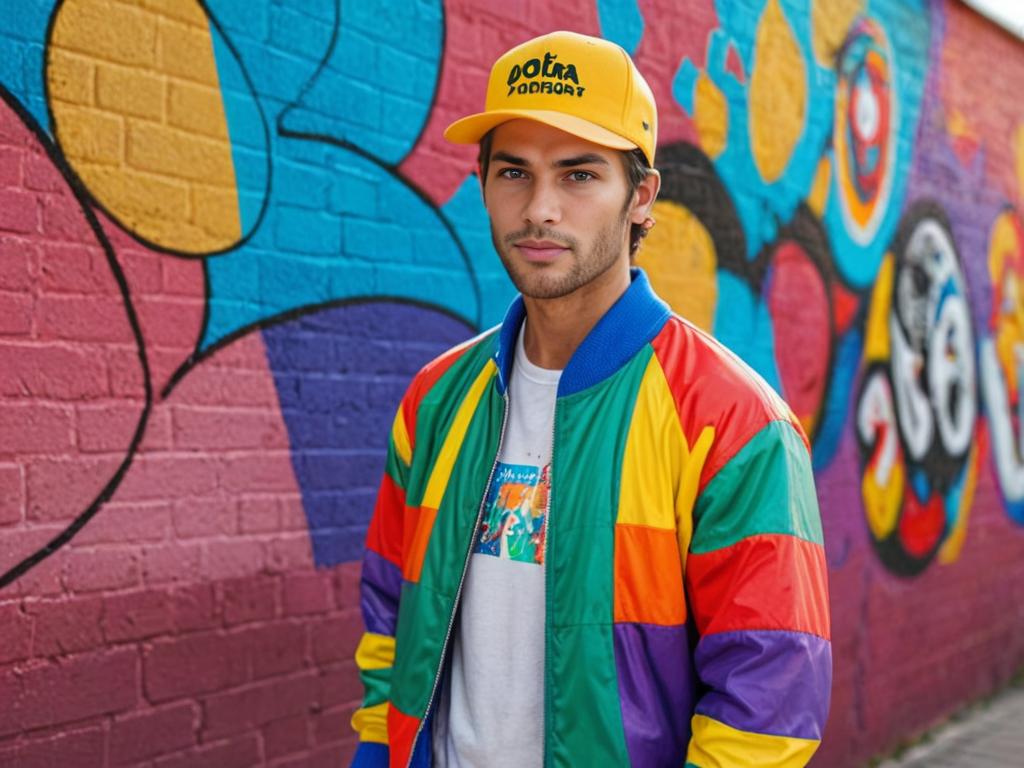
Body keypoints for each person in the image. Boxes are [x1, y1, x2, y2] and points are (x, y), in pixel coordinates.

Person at [350, 30, 831, 768]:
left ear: (640, 197)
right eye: (513, 171)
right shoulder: (435, 400)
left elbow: (769, 701)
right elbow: (390, 620)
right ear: (482, 183)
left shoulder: (734, 422)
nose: (540, 209)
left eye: (578, 176)